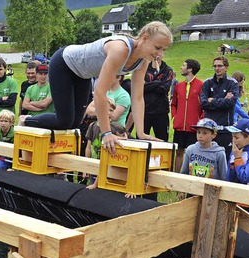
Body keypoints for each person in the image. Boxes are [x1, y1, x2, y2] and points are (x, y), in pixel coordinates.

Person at [21, 21, 172, 156]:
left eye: (164, 50)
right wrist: (106, 133)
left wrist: (141, 132)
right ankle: (26, 120)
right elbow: (100, 92)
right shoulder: (121, 49)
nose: (160, 54)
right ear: (144, 38)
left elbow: (138, 98)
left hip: (83, 74)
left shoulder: (142, 61)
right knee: (64, 121)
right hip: (64, 64)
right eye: (158, 48)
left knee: (75, 123)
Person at [200, 56, 240, 161]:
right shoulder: (207, 82)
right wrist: (222, 101)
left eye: (220, 66)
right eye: (215, 66)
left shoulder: (232, 83)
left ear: (226, 67)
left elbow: (230, 103)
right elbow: (203, 103)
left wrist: (212, 100)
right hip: (209, 129)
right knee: (207, 159)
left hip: (224, 130)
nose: (217, 68)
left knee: (223, 159)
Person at [178, 118, 227, 200]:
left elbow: (223, 176)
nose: (200, 135)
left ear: (213, 135)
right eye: (198, 132)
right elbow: (184, 172)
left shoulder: (219, 153)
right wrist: (182, 190)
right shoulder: (190, 150)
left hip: (210, 194)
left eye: (205, 133)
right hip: (192, 191)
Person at [171, 59, 204, 173]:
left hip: (193, 126)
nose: (181, 67)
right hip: (180, 125)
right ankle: (176, 176)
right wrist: (175, 116)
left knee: (193, 152)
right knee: (179, 151)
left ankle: (190, 176)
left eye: (184, 65)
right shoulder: (179, 86)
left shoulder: (201, 85)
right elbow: (174, 103)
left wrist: (200, 120)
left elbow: (204, 106)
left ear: (190, 69)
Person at [143, 55, 174, 142]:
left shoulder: (168, 70)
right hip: (145, 111)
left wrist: (148, 84)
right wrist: (158, 82)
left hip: (161, 112)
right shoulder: (144, 69)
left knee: (162, 141)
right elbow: (141, 87)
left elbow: (165, 88)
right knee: (141, 140)